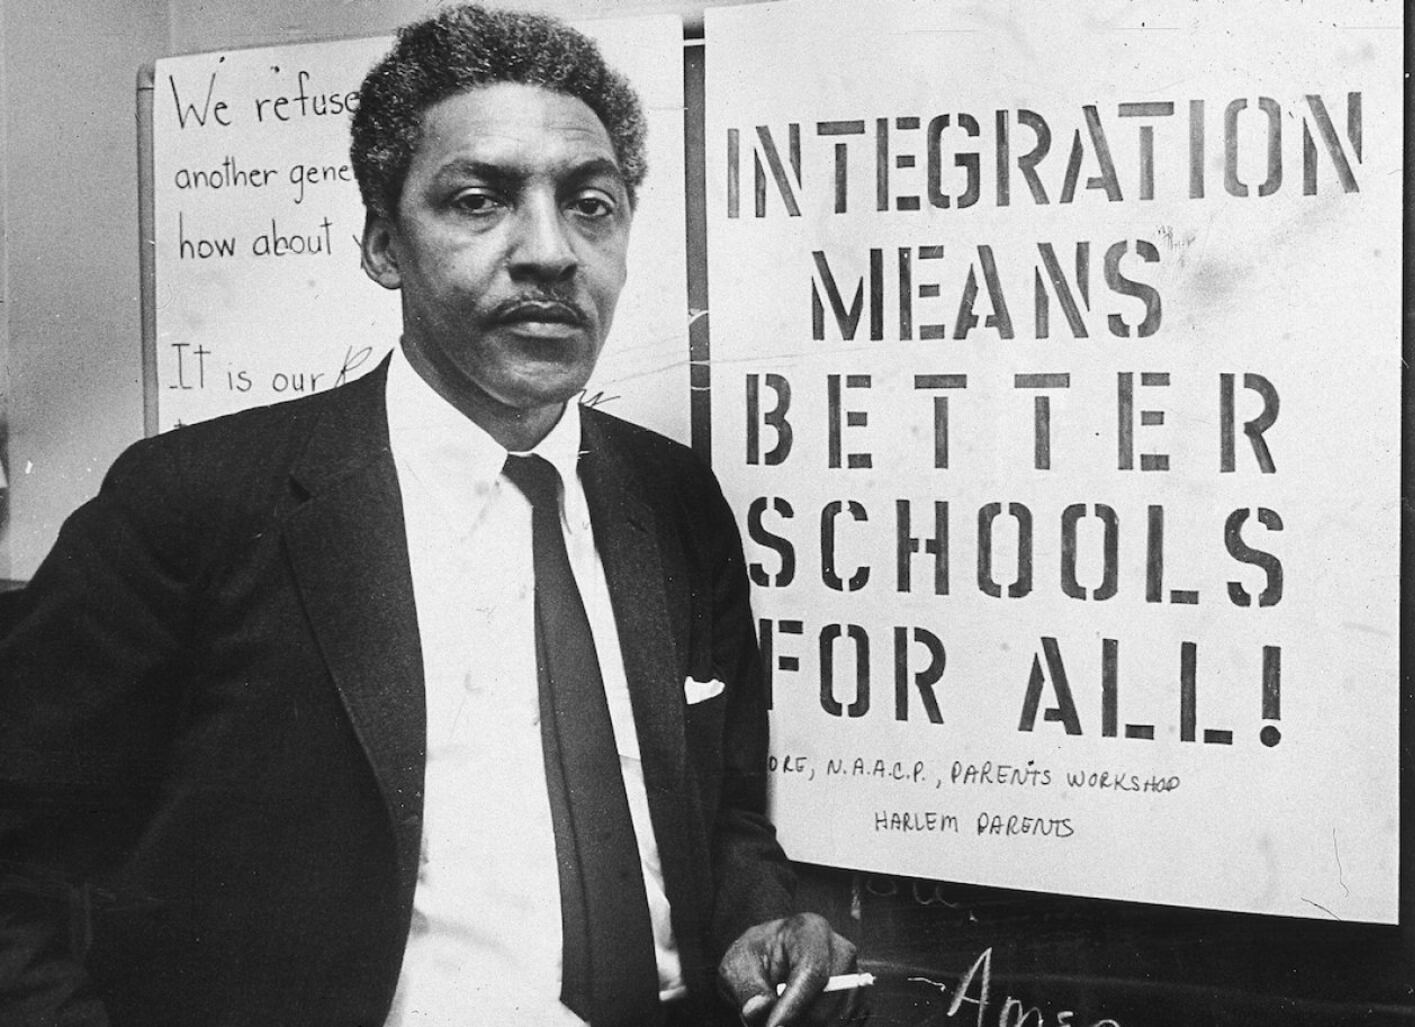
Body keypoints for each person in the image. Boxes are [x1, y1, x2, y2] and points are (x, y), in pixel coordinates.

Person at [0, 6, 859, 1026]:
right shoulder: (192, 503)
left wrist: (758, 921)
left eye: (591, 205)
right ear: (383, 245)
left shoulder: (675, 500)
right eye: (479, 200)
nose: (551, 252)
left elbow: (725, 821)